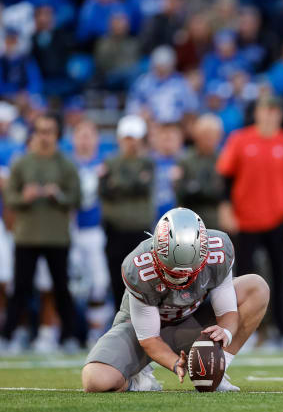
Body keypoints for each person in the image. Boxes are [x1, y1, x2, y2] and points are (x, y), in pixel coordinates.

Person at [81, 207, 269, 392]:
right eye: (173, 273)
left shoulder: (218, 250)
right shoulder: (139, 267)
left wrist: (225, 333)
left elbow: (227, 311)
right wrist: (174, 363)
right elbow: (149, 339)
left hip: (190, 320)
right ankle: (139, 381)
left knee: (256, 287)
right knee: (95, 379)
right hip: (141, 332)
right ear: (156, 254)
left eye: (189, 273)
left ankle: (217, 372)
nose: (182, 280)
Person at [217, 96, 283, 346]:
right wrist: (226, 209)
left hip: (278, 219)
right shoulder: (240, 140)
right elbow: (226, 180)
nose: (269, 115)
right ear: (256, 112)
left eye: (274, 111)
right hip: (244, 221)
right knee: (242, 281)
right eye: (265, 110)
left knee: (280, 276)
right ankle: (241, 333)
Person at [1, 115, 81, 349]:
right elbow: (9, 197)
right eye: (41, 131)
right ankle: (9, 336)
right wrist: (24, 197)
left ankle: (69, 336)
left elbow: (77, 198)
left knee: (61, 288)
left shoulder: (66, 164)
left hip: (57, 236)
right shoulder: (21, 163)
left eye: (50, 131)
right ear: (33, 134)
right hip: (27, 235)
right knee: (21, 288)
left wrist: (59, 195)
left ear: (57, 135)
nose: (45, 136)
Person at [100, 115, 154, 311]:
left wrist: (118, 184)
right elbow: (105, 190)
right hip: (115, 229)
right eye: (127, 138)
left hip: (139, 230)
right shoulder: (111, 161)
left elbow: (142, 187)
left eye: (134, 138)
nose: (131, 143)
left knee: (143, 279)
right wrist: (133, 182)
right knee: (116, 278)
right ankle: (118, 318)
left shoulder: (147, 162)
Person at [69, 120, 111, 346]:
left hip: (95, 229)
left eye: (89, 135)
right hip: (71, 230)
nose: (85, 140)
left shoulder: (105, 163)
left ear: (96, 139)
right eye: (81, 135)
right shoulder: (66, 164)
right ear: (73, 138)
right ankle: (68, 331)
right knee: (72, 284)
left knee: (98, 283)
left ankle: (96, 333)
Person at [174, 115, 224, 229]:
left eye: (212, 134)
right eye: (205, 134)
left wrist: (196, 188)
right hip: (191, 220)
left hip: (218, 219)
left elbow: (223, 192)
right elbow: (180, 191)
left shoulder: (224, 158)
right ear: (196, 135)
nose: (208, 138)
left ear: (219, 136)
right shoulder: (185, 159)